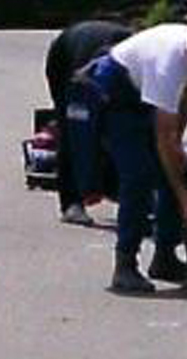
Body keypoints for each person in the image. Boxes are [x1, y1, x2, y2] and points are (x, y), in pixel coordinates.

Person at [76, 4, 187, 295]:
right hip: (116, 90)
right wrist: (185, 198)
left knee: (176, 165)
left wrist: (178, 139)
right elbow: (163, 134)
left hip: (146, 95)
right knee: (139, 175)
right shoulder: (170, 61)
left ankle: (164, 256)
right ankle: (124, 264)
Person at [44, 18, 130, 224]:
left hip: (99, 50)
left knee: (123, 126)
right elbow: (80, 127)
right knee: (72, 128)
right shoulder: (88, 72)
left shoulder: (139, 62)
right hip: (65, 57)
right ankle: (71, 203)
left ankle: (116, 190)